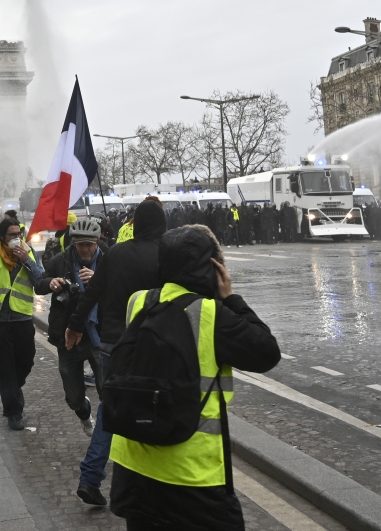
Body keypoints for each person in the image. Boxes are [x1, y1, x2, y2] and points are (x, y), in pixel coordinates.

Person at [109, 225, 280, 530]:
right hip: (191, 475)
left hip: (133, 471)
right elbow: (267, 352)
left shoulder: (139, 302)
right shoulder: (212, 314)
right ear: (214, 268)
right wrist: (231, 298)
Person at [66, 199, 166, 506]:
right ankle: (149, 482)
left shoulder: (115, 253)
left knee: (110, 410)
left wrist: (75, 325)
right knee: (152, 411)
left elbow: (93, 293)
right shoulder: (165, 254)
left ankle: (91, 477)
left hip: (112, 343)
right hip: (149, 345)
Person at [0, 218, 44, 430]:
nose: (16, 238)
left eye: (18, 234)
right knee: (6, 369)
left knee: (26, 361)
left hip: (22, 319)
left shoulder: (28, 253)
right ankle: (13, 412)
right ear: (2, 236)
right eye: (12, 235)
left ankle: (13, 388)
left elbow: (41, 281)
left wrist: (26, 260)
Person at [34, 218, 103, 437]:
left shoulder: (109, 260)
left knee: (108, 389)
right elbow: (39, 285)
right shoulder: (60, 261)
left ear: (97, 242)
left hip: (98, 334)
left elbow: (122, 290)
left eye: (89, 245)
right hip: (67, 334)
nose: (85, 250)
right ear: (73, 243)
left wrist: (99, 280)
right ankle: (83, 411)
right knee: (73, 396)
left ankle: (107, 431)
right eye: (80, 245)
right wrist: (50, 283)